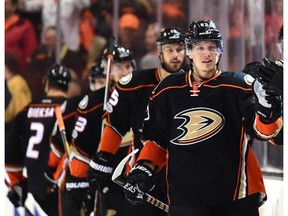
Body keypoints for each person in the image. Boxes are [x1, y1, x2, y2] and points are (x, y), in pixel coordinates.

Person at [123, 20, 283, 216]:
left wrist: (268, 112)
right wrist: (143, 169)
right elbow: (157, 141)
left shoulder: (239, 86)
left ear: (220, 50)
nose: (207, 53)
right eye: (199, 47)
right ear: (189, 51)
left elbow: (263, 132)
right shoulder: (167, 90)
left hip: (234, 199)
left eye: (212, 47)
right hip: (186, 199)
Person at [87, 27, 187, 216]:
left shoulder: (197, 84)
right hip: (143, 179)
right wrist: (103, 156)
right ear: (159, 51)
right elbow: (115, 123)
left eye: (179, 49)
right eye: (169, 49)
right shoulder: (136, 83)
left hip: (184, 178)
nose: (175, 55)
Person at [52, 45, 136, 215]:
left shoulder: (147, 96)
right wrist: (78, 180)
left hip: (139, 182)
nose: (125, 71)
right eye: (119, 67)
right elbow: (82, 147)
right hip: (107, 185)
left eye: (128, 66)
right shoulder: (93, 103)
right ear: (108, 71)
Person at [5, 64, 73, 216]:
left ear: (47, 83)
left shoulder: (27, 110)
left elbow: (10, 151)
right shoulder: (70, 110)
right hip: (61, 186)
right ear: (67, 86)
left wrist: (17, 183)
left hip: (36, 186)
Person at [5, 0, 38, 74]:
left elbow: (31, 53)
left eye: (5, 4)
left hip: (15, 72)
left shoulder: (24, 25)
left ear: (14, 7)